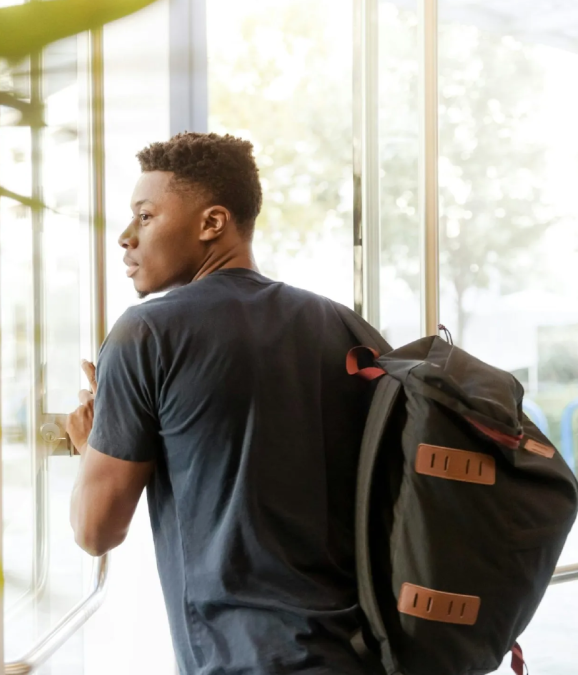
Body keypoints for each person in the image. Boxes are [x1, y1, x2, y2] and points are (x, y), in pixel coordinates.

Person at [65, 132, 377, 675]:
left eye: (144, 216)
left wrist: (94, 442)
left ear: (212, 223)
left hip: (241, 660)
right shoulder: (341, 325)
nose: (124, 238)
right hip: (361, 653)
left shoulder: (147, 334)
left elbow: (95, 531)